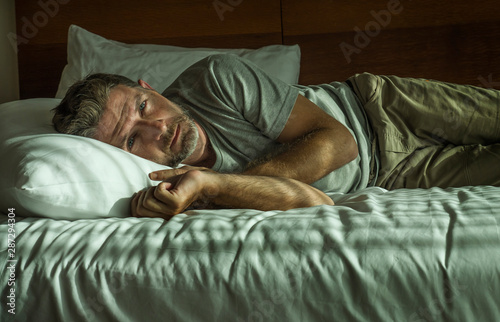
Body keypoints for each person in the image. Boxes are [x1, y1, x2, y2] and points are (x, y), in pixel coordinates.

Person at [52, 54, 500, 218]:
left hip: (380, 109)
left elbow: (339, 141)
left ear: (148, 89)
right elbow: (318, 204)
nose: (157, 130)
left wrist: (226, 186)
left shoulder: (216, 77)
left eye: (143, 109)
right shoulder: (173, 193)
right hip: (392, 176)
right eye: (131, 141)